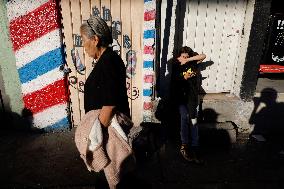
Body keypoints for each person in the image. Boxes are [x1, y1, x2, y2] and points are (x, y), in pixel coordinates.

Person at [80, 16, 130, 188]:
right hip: (105, 130)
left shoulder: (109, 61)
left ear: (95, 39)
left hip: (107, 134)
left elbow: (110, 103)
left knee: (111, 179)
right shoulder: (105, 60)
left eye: (83, 40)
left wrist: (95, 137)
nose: (83, 46)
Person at [170, 46, 206, 163]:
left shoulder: (192, 63)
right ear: (178, 57)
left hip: (192, 98)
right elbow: (175, 80)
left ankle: (195, 144)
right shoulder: (175, 65)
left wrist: (188, 60)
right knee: (184, 117)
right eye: (182, 56)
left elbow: (203, 56)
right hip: (180, 98)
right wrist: (184, 77)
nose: (184, 58)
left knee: (194, 120)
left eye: (187, 56)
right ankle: (184, 144)